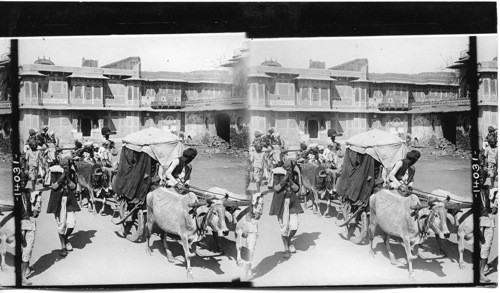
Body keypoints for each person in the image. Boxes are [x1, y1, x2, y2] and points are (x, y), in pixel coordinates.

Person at [46, 154, 81, 257]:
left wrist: (68, 179)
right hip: (58, 200)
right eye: (64, 164)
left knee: (71, 223)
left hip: (69, 199)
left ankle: (65, 238)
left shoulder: (73, 172)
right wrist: (62, 177)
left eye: (68, 164)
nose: (66, 166)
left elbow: (74, 187)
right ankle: (63, 246)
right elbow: (54, 186)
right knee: (62, 225)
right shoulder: (55, 171)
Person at [268, 158, 304, 259]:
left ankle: (288, 240)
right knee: (285, 227)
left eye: (291, 166)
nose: (290, 167)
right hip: (281, 203)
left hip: (292, 202)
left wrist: (291, 180)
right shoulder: (277, 173)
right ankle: (286, 248)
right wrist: (285, 178)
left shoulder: (295, 174)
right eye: (288, 166)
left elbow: (297, 188)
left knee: (294, 226)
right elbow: (276, 188)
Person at [19, 171, 42, 286]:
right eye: (20, 181)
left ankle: (23, 276)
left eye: (24, 181)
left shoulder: (29, 193)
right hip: (20, 225)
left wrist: (37, 208)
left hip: (29, 223)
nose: (22, 183)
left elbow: (34, 211)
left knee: (28, 249)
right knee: (20, 249)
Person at [478, 169, 497, 282]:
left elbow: (494, 201)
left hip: (489, 221)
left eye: (483, 178)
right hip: (478, 221)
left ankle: (481, 273)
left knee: (487, 246)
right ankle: (480, 268)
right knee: (480, 245)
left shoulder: (488, 189)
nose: (481, 180)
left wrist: (495, 207)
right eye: (479, 178)